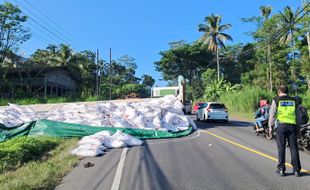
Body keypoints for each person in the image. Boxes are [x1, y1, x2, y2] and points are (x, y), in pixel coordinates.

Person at [268, 85, 302, 177]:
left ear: (279, 91)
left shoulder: (276, 100)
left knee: (281, 147)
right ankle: (296, 171)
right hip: (292, 126)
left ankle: (282, 169)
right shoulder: (294, 100)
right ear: (288, 91)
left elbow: (272, 114)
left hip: (281, 127)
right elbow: (298, 116)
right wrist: (298, 129)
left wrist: (270, 127)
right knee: (294, 148)